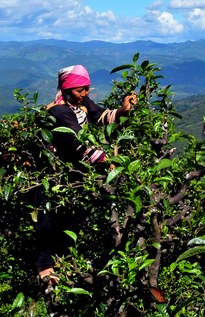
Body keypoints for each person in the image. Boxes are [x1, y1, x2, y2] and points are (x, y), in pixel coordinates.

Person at [33, 65, 137, 287]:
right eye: (80, 90)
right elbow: (77, 144)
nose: (85, 94)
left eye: (87, 89)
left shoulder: (79, 102)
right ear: (68, 89)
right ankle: (45, 267)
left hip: (72, 171)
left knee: (72, 216)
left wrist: (122, 111)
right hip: (51, 172)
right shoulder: (60, 111)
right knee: (47, 219)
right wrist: (108, 161)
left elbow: (100, 116)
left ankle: (66, 260)